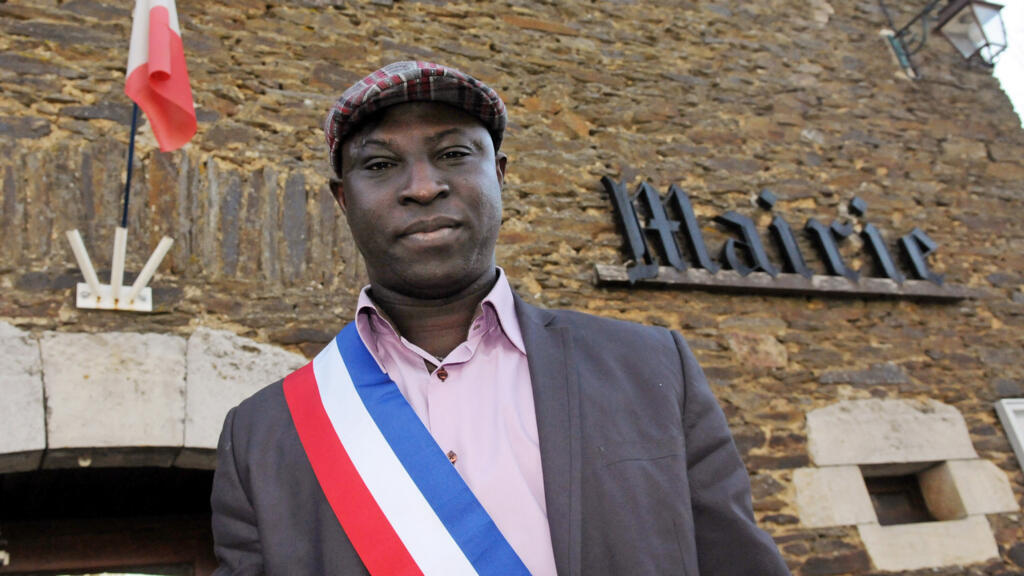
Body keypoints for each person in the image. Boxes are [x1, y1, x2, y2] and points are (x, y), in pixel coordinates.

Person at [210, 61, 791, 576]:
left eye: (453, 154)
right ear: (343, 200)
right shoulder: (262, 437)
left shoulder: (651, 369)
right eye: (382, 163)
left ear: (502, 175)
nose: (423, 186)